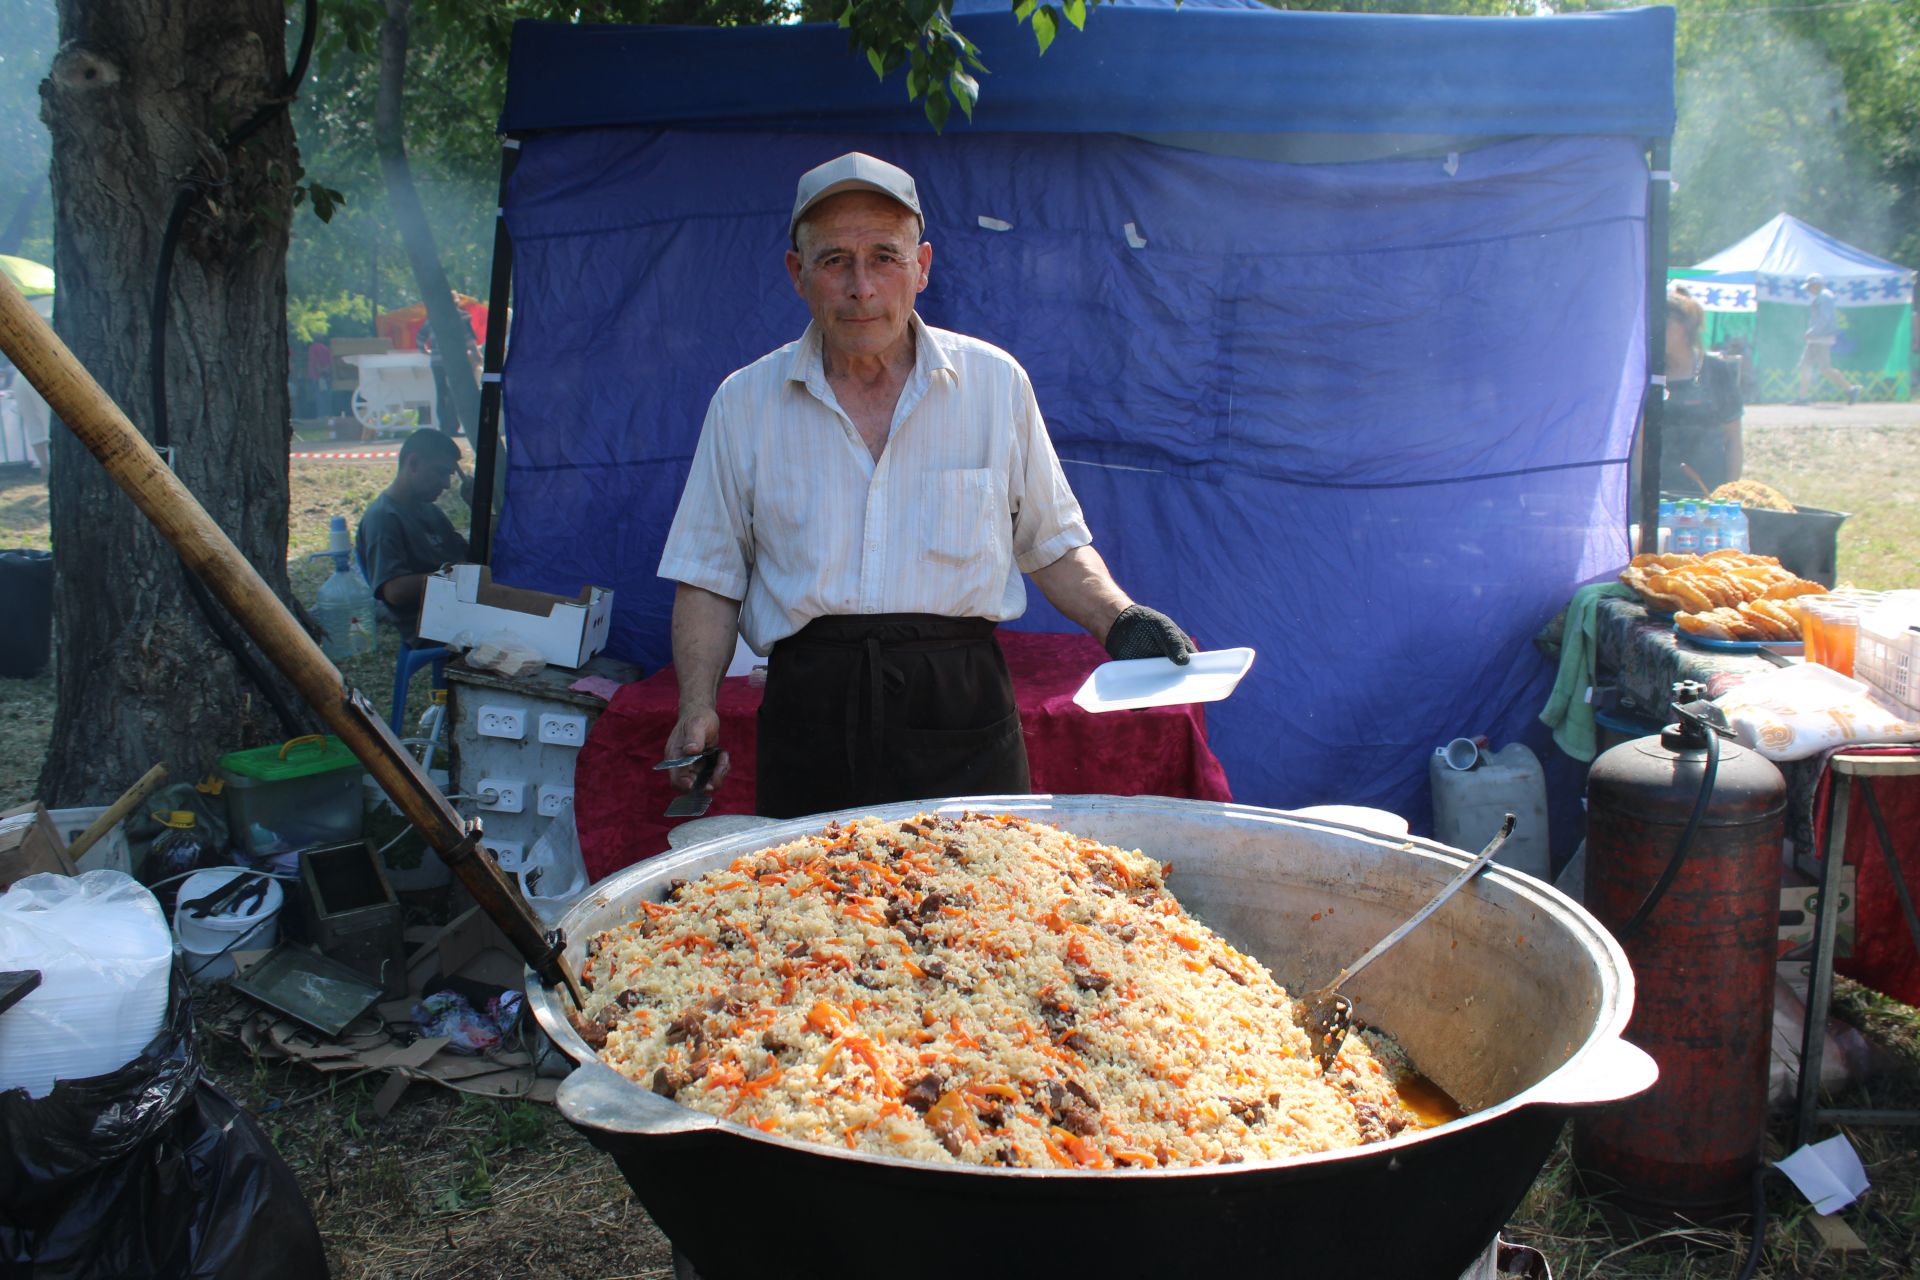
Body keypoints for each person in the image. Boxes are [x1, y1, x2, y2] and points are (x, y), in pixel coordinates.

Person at [658, 152, 1197, 817]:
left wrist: (1121, 620)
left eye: (885, 256)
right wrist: (696, 708)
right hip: (811, 715)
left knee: (975, 914)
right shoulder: (744, 403)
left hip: (962, 709)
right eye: (834, 261)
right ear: (798, 274)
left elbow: (1052, 543)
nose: (862, 286)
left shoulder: (994, 385)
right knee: (817, 915)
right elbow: (710, 576)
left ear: (923, 267)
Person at [356, 429, 473, 641]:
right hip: (429, 623)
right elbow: (395, 590)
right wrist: (455, 577)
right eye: (440, 472)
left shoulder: (428, 509)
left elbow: (470, 556)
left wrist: (478, 507)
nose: (446, 484)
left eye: (449, 475)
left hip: (456, 610)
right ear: (413, 464)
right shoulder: (384, 518)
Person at [1656, 286, 1744, 496]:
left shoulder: (1716, 371)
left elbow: (1733, 439)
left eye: (1665, 324)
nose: (1656, 329)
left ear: (1687, 328)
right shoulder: (1647, 372)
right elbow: (1639, 442)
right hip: (1658, 489)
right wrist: (1639, 493)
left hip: (1708, 487)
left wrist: (1728, 493)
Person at [1795, 274, 1861, 405]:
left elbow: (1824, 318)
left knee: (1822, 368)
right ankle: (1802, 397)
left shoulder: (1824, 297)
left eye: (1810, 287)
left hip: (1821, 337)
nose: (1808, 290)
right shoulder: (1824, 296)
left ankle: (1851, 389)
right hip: (1819, 337)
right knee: (1807, 366)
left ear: (1816, 285)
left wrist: (1812, 332)